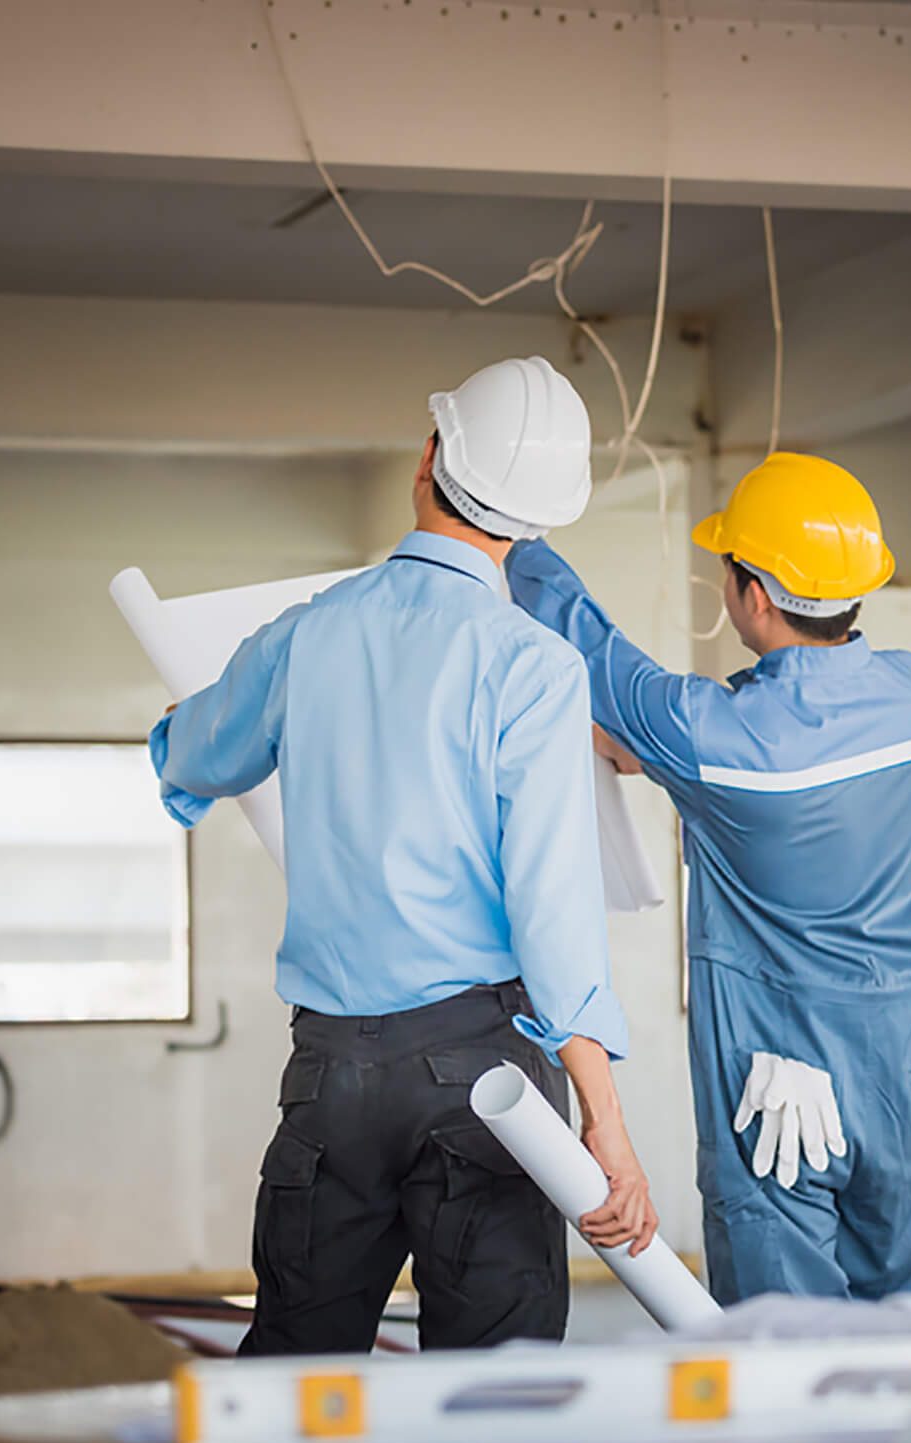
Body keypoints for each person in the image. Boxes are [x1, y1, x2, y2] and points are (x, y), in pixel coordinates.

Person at [152, 355, 655, 1354]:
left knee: (291, 1377)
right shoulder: (534, 668)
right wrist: (607, 1124)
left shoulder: (307, 636)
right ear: (538, 522)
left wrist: (179, 732)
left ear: (428, 457)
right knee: (492, 1395)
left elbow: (194, 753)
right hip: (485, 1079)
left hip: (332, 1071)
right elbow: (554, 911)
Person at [506, 451, 911, 1303]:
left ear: (753, 593)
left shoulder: (715, 738)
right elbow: (751, 737)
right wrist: (656, 756)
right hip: (899, 1075)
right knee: (910, 1330)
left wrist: (515, 537)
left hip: (778, 1078)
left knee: (783, 1350)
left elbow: (597, 654)